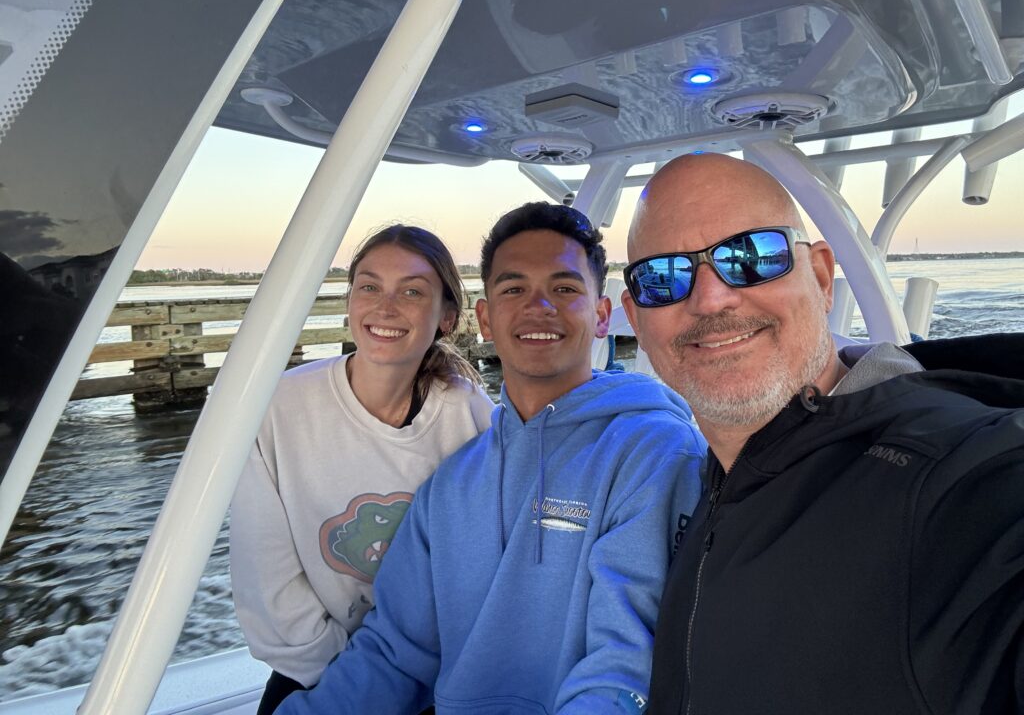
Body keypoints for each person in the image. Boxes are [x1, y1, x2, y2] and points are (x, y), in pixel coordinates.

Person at [620, 153, 1024, 714]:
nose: (710, 298)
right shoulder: (718, 478)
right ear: (637, 320)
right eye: (663, 277)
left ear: (820, 276)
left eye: (753, 256)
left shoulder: (962, 478)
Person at [278, 202, 706, 714]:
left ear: (600, 316)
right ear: (485, 318)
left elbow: (626, 667)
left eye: (565, 289)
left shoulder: (654, 452)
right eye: (513, 289)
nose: (538, 306)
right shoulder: (453, 482)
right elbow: (395, 656)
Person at [230, 225, 495, 715]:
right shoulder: (277, 407)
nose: (385, 307)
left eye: (412, 291)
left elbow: (478, 570)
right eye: (369, 286)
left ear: (446, 317)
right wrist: (361, 680)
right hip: (319, 670)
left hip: (430, 670)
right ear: (350, 301)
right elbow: (269, 589)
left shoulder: (467, 411)